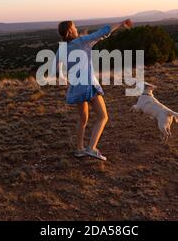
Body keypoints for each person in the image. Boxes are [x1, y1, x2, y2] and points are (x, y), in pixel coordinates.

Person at [57, 19, 133, 161]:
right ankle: (91, 148)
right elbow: (103, 32)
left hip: (76, 87)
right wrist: (121, 24)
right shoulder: (82, 41)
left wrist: (64, 78)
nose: (76, 28)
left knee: (83, 119)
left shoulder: (61, 48)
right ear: (70, 31)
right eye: (74, 27)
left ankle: (79, 149)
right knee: (103, 117)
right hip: (88, 86)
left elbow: (57, 67)